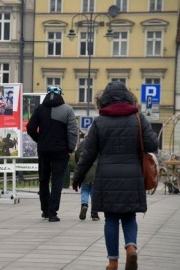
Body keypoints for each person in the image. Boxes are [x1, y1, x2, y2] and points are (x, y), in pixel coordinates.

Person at [72, 81, 158, 270]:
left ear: (104, 100)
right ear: (128, 97)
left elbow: (88, 154)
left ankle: (112, 262)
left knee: (111, 218)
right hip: (132, 174)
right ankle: (131, 248)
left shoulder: (99, 122)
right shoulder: (138, 118)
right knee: (129, 216)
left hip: (107, 177)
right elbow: (153, 144)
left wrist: (77, 177)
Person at [26, 85, 77, 222]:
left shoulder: (39, 109)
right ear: (61, 94)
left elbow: (30, 128)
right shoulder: (68, 110)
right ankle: (53, 213)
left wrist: (40, 140)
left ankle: (45, 210)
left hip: (43, 150)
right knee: (57, 181)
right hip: (61, 151)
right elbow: (72, 131)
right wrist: (70, 148)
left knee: (43, 180)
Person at [75, 90, 104, 221]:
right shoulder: (99, 143)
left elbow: (77, 155)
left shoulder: (83, 144)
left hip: (86, 172)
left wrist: (78, 167)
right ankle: (94, 212)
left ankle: (84, 204)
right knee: (95, 192)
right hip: (97, 172)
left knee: (85, 190)